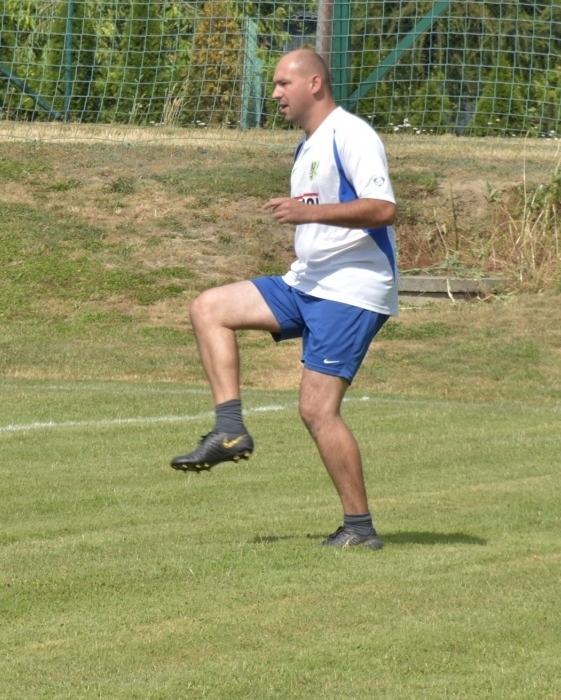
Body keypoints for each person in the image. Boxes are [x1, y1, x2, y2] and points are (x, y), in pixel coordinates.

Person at [170, 47, 398, 549]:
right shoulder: (307, 145)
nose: (274, 94)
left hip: (351, 290)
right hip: (308, 282)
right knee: (209, 308)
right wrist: (307, 217)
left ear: (314, 84)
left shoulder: (352, 133)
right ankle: (229, 430)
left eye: (281, 84)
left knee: (317, 411)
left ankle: (360, 529)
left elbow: (382, 209)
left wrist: (307, 213)